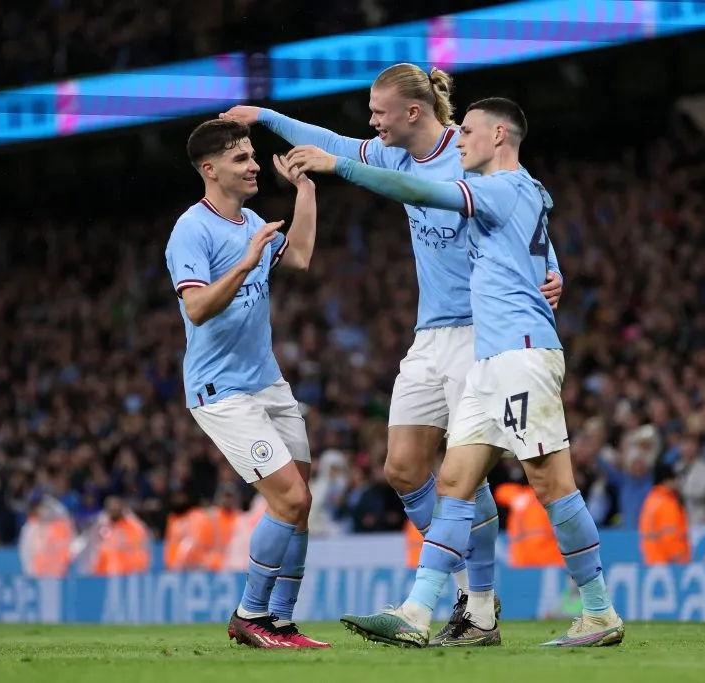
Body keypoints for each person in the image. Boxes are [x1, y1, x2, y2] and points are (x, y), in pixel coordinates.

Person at [222, 63, 564, 646]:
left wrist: (552, 269)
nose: (371, 121)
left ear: (413, 111)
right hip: (429, 334)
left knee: (465, 477)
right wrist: (266, 116)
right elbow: (330, 143)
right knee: (403, 469)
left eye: (379, 111)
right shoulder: (395, 155)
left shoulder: (470, 151)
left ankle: (478, 605)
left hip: (482, 330)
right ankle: (468, 594)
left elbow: (525, 210)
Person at [286, 96, 624, 648]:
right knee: (453, 482)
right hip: (491, 359)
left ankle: (599, 611)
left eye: (467, 131)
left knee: (550, 483)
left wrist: (338, 166)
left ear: (498, 136)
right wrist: (552, 270)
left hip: (520, 353)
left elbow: (422, 191)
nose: (458, 140)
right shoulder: (525, 189)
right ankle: (420, 613)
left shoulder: (500, 188)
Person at [166, 118, 328, 648]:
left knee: (300, 502)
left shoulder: (250, 220)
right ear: (210, 170)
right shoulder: (192, 230)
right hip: (221, 391)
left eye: (253, 155)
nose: (255, 165)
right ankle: (250, 615)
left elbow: (299, 256)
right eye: (241, 158)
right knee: (289, 499)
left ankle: (281, 620)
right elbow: (196, 308)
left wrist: (305, 190)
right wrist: (244, 263)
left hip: (267, 383)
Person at [638, 461, 691, 565]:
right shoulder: (667, 503)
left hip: (652, 561)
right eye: (674, 478)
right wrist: (678, 559)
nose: (677, 482)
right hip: (669, 564)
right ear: (667, 480)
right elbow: (670, 535)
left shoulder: (650, 500)